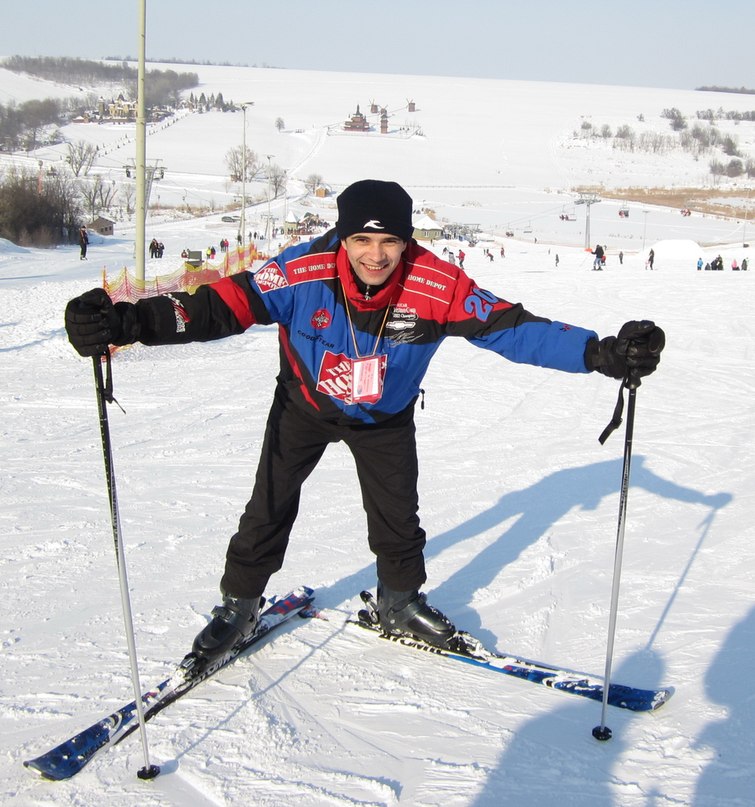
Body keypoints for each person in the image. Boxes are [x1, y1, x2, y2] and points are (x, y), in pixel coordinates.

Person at [64, 179, 665, 666]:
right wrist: (127, 323)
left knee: (397, 515)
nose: (375, 255)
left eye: (390, 243)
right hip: (304, 404)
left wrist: (601, 353)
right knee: (268, 505)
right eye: (361, 240)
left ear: (407, 242)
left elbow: (513, 329)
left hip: (384, 417)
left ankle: (399, 602)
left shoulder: (439, 285)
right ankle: (240, 606)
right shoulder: (300, 271)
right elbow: (221, 305)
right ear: (342, 238)